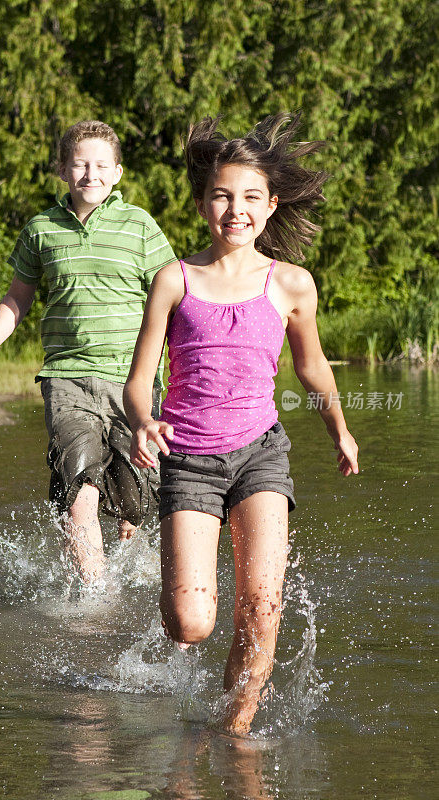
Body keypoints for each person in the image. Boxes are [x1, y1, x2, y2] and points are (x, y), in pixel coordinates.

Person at [123, 114, 359, 735]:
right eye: (223, 195)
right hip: (188, 458)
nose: (236, 209)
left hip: (261, 454)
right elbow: (138, 379)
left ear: (271, 204)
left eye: (251, 197)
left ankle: (234, 735)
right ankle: (181, 602)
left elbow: (312, 371)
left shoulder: (292, 285)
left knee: (261, 605)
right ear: (203, 202)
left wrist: (339, 428)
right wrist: (144, 420)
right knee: (191, 623)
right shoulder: (175, 280)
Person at [0, 120, 176, 583]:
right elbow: (18, 296)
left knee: (135, 501)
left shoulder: (140, 226)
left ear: (118, 172)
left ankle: (129, 564)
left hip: (132, 382)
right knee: (80, 481)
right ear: (63, 169)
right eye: (80, 164)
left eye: (102, 165)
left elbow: (173, 299)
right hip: (66, 377)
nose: (90, 174)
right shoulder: (41, 229)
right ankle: (94, 596)